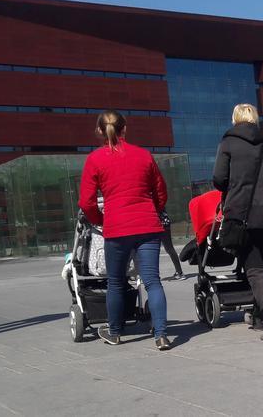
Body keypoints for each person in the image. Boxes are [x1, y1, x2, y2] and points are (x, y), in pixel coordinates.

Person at [79, 110, 171, 350]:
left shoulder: (95, 159)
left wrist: (100, 220)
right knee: (153, 281)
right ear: (125, 128)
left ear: (99, 131)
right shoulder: (144, 155)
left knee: (116, 282)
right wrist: (154, 209)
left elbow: (87, 202)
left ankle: (115, 331)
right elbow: (161, 192)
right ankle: (161, 335)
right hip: (148, 226)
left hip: (117, 229)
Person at [213, 103, 263, 341]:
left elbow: (218, 179)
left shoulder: (228, 144)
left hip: (244, 216)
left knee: (255, 271)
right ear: (255, 120)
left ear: (235, 120)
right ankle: (258, 318)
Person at [160, 210, 185, 280]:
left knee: (168, 248)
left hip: (159, 222)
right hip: (163, 221)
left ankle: (180, 273)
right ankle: (179, 272)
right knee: (169, 248)